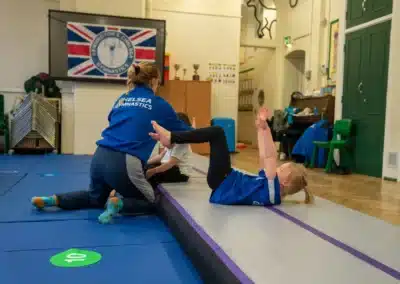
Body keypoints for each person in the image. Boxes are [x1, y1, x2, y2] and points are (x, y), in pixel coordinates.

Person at [31, 62, 192, 223]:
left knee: (95, 198)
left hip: (100, 156)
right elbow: (183, 131)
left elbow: (113, 119)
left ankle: (54, 200)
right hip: (124, 161)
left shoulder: (122, 99)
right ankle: (118, 203)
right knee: (149, 200)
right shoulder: (159, 104)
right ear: (154, 81)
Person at [149, 107, 313, 206]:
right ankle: (172, 137)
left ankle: (172, 137)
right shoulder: (270, 191)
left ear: (286, 180)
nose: (278, 167)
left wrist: (267, 128)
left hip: (223, 181)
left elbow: (270, 156)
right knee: (216, 134)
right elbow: (264, 156)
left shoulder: (273, 188)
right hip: (223, 181)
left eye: (281, 168)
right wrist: (260, 130)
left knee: (217, 132)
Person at [145, 112, 193, 187]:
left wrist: (152, 171)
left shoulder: (182, 142)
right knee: (145, 168)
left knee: (152, 175)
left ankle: (148, 195)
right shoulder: (172, 138)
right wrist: (145, 163)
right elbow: (160, 156)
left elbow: (171, 163)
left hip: (180, 173)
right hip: (170, 167)